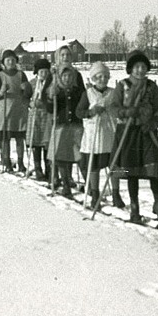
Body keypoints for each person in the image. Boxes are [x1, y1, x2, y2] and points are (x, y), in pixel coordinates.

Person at [107, 51, 158, 225]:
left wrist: (154, 122)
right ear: (131, 69)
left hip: (147, 132)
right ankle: (134, 208)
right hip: (128, 132)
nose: (140, 70)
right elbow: (113, 107)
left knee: (154, 169)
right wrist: (126, 112)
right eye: (137, 67)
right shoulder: (123, 86)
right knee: (130, 170)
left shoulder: (152, 87)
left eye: (143, 67)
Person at [76, 62, 123, 210]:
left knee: (114, 165)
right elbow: (79, 112)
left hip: (110, 132)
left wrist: (115, 111)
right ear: (94, 78)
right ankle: (95, 194)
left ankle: (116, 193)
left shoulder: (114, 92)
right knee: (94, 166)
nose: (102, 79)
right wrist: (91, 112)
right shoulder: (88, 93)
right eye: (99, 77)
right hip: (93, 135)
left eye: (105, 76)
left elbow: (119, 108)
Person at [44, 65, 85, 196]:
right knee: (61, 157)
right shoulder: (57, 91)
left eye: (70, 76)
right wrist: (51, 97)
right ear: (61, 77)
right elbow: (50, 109)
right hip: (61, 127)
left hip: (76, 127)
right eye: (64, 76)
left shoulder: (77, 91)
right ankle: (65, 184)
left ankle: (89, 184)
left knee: (80, 156)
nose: (67, 78)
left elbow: (83, 106)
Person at [0, 49, 31, 174]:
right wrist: (1, 92)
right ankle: (7, 161)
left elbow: (28, 93)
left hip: (19, 109)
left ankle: (20, 162)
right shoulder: (0, 75)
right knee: (6, 137)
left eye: (13, 60)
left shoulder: (21, 74)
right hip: (5, 109)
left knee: (20, 137)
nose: (11, 62)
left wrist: (25, 89)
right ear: (3, 62)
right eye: (8, 60)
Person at [26, 58, 53, 182]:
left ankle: (49, 170)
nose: (44, 74)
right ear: (37, 72)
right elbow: (25, 98)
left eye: (46, 71)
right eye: (41, 71)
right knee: (36, 143)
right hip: (35, 116)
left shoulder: (52, 83)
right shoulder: (32, 83)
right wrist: (31, 103)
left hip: (47, 115)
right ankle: (38, 169)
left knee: (47, 143)